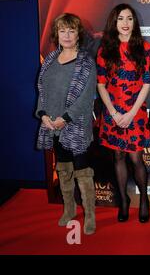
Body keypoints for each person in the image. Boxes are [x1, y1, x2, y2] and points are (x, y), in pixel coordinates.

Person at [36, 13, 97, 235]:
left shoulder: (85, 62)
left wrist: (65, 119)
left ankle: (90, 214)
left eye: (71, 30)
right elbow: (41, 89)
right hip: (52, 127)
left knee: (83, 172)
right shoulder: (51, 59)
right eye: (63, 31)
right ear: (57, 34)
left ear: (78, 34)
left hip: (77, 126)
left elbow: (87, 96)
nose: (67, 35)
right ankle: (69, 208)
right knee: (63, 170)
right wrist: (42, 114)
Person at [96, 3, 150, 223]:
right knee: (118, 156)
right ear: (114, 22)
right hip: (112, 113)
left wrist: (131, 113)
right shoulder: (105, 49)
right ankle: (123, 200)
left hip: (136, 113)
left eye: (129, 18)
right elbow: (101, 84)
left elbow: (147, 83)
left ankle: (145, 200)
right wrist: (112, 112)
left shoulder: (145, 49)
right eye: (121, 18)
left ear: (135, 22)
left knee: (136, 158)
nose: (125, 23)